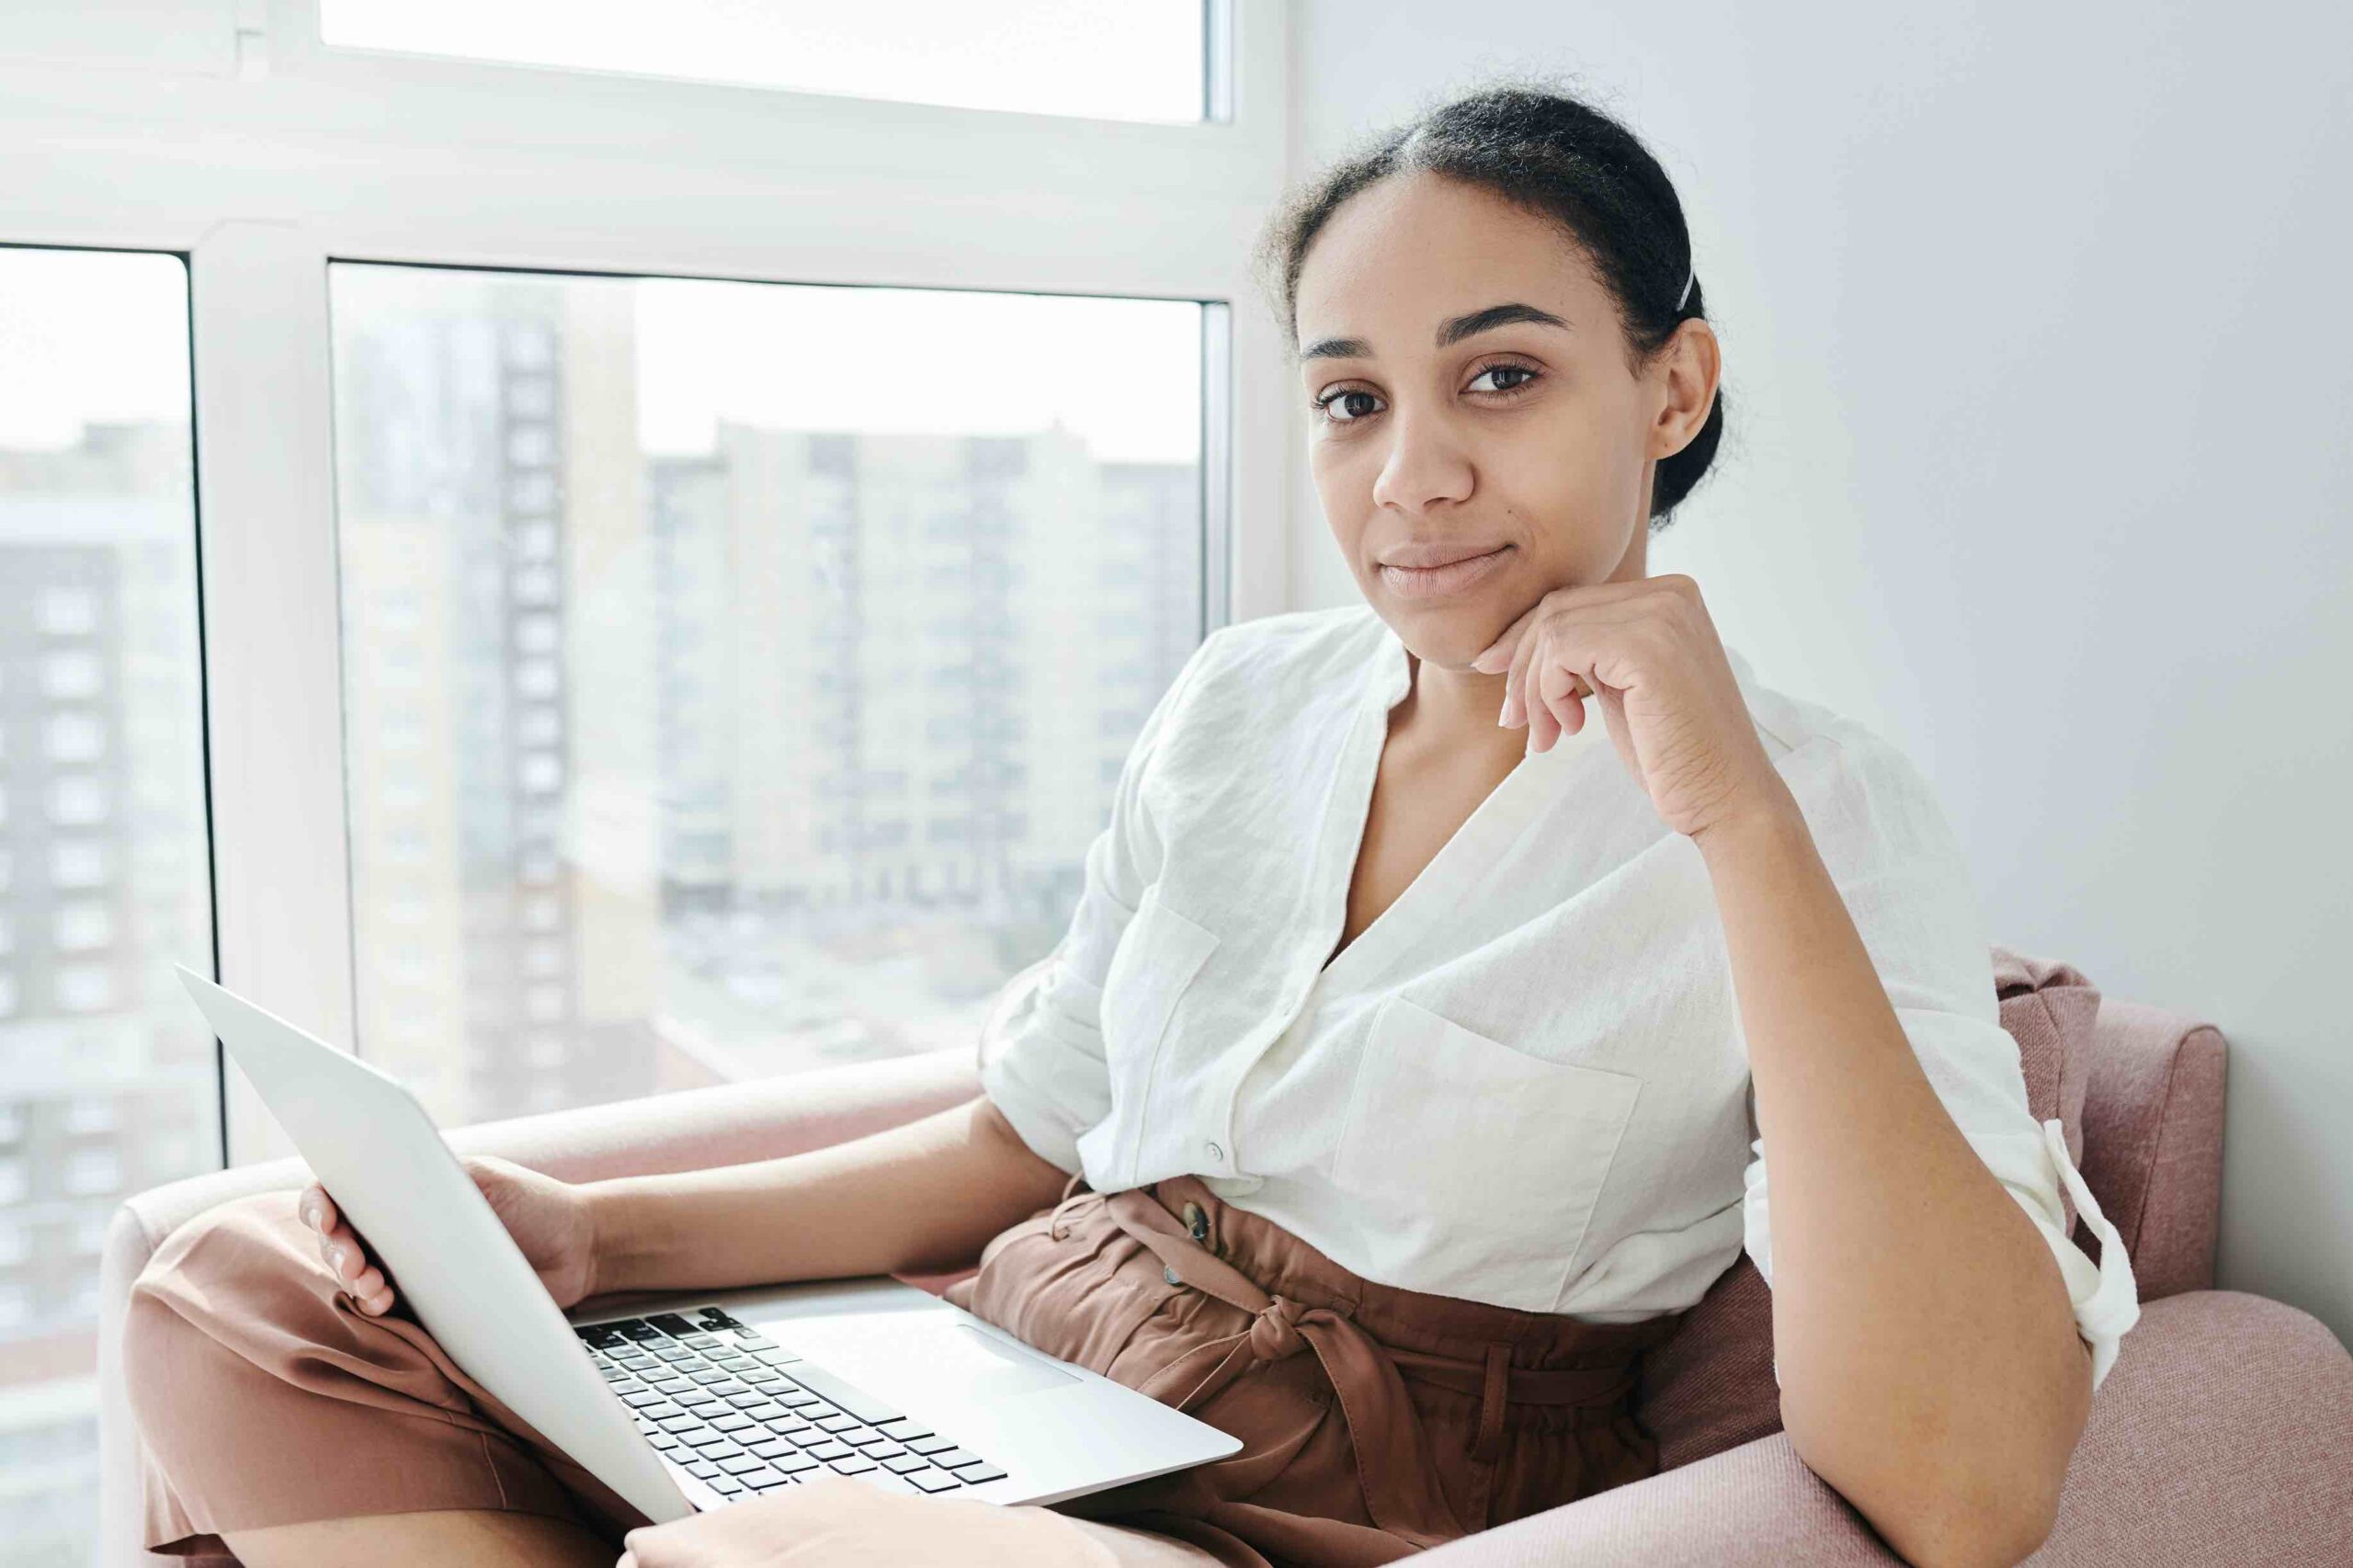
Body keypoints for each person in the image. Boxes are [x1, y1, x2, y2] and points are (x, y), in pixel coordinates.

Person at [124, 78, 2137, 1568]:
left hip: (1320, 1494)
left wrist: (1730, 818)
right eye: (1350, 401)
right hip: (1022, 1368)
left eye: (1498, 378)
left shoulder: (1806, 807)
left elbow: (1961, 1483)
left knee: (788, 1557)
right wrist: (588, 1236)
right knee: (237, 1290)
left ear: (1670, 388)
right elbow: (1029, 1130)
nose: (1410, 478)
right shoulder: (1243, 702)